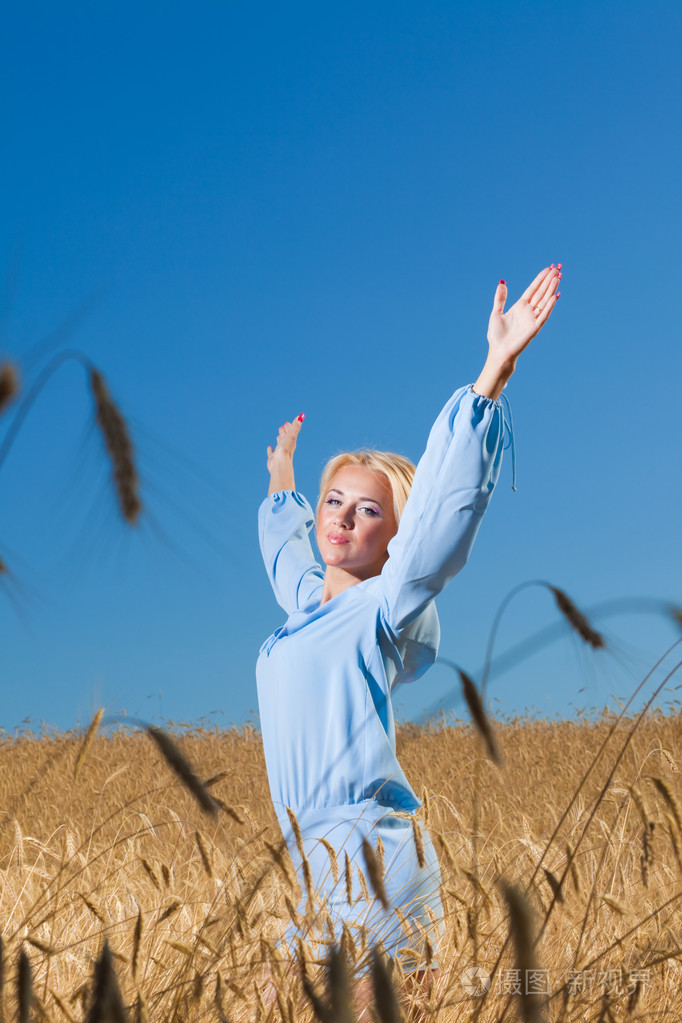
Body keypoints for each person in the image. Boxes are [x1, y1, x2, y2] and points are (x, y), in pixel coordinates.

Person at [256, 266, 561, 1007]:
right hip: (309, 867)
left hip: (375, 861)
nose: (341, 516)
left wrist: (492, 374)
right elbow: (284, 552)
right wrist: (284, 476)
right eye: (334, 501)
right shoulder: (305, 607)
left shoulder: (384, 605)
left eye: (368, 510)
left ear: (396, 538)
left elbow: (440, 522)